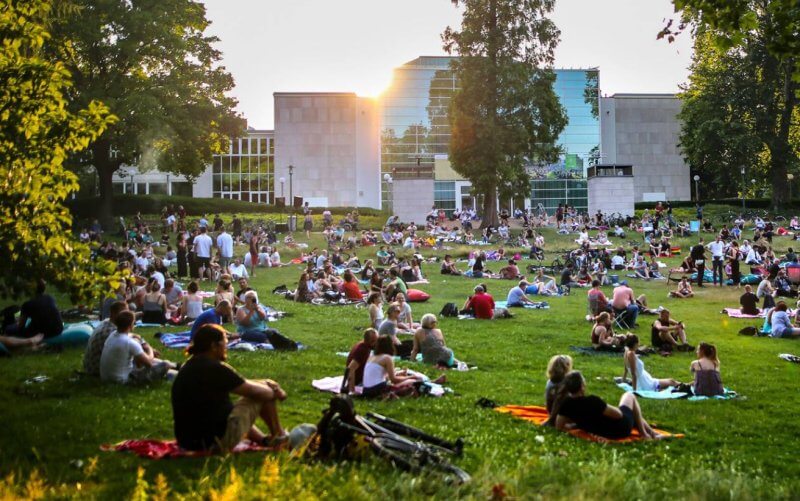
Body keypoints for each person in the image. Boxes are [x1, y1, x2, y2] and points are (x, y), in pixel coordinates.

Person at [171, 324, 289, 451]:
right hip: (212, 442)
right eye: (224, 342)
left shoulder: (190, 366)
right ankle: (280, 438)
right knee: (258, 395)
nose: (226, 346)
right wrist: (275, 390)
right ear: (213, 346)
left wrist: (266, 382)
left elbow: (241, 384)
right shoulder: (215, 368)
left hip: (188, 441)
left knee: (238, 406)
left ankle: (265, 441)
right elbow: (262, 393)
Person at [551, 371, 663, 440]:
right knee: (629, 396)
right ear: (582, 387)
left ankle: (652, 433)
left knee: (631, 411)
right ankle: (646, 434)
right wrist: (606, 405)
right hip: (619, 429)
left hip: (598, 430)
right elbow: (618, 415)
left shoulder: (566, 405)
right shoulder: (593, 401)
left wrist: (578, 425)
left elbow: (559, 426)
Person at [99, 311, 175, 384]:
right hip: (123, 380)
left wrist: (136, 337)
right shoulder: (130, 342)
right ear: (131, 325)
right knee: (166, 364)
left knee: (138, 358)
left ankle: (175, 367)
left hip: (106, 377)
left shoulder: (112, 335)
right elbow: (149, 363)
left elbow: (130, 335)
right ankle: (173, 369)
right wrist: (149, 348)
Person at [83, 301, 128, 376]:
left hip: (90, 367)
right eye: (124, 313)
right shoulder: (111, 332)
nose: (126, 316)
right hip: (97, 370)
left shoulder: (106, 322)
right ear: (114, 314)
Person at [342, 328, 379, 394]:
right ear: (372, 341)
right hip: (358, 381)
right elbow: (351, 368)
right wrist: (352, 390)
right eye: (376, 341)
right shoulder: (363, 350)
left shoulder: (362, 345)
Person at [544, 355, 573, 421]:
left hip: (551, 411)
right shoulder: (565, 383)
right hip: (562, 414)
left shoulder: (549, 382)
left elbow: (548, 400)